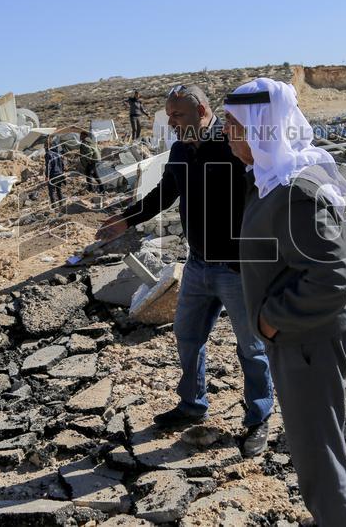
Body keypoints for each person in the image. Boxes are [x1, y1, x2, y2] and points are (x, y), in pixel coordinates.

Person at [97, 83, 274, 457]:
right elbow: (164, 193)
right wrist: (125, 220)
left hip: (237, 268)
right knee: (188, 336)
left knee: (251, 347)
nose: (172, 122)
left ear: (203, 111)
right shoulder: (179, 150)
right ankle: (193, 404)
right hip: (197, 264)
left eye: (178, 115)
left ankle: (258, 417)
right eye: (169, 116)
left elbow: (265, 194)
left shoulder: (233, 144)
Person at [222, 77, 346, 527]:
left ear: (260, 127)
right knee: (325, 449)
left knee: (317, 462)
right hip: (305, 337)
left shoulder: (295, 192)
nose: (226, 134)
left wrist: (269, 320)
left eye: (233, 125)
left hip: (307, 341)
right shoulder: (272, 179)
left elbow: (332, 280)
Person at [45, 137, 66, 210]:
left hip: (53, 175)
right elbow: (62, 165)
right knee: (59, 190)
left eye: (45, 145)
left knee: (52, 191)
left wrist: (47, 176)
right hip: (60, 174)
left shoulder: (48, 154)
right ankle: (62, 205)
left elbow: (48, 166)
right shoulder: (58, 154)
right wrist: (62, 173)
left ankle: (54, 207)